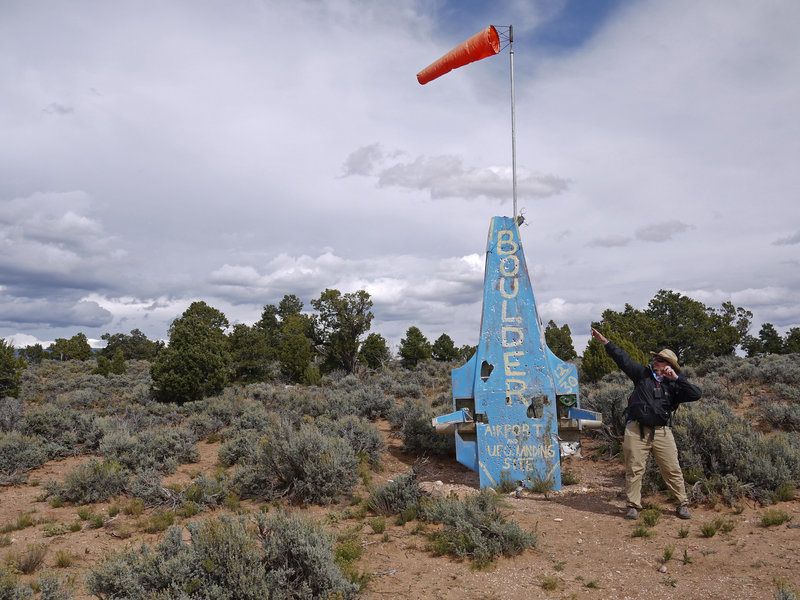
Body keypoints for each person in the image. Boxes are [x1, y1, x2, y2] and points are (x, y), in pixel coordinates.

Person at [590, 328, 702, 520]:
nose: (656, 361)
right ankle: (633, 505)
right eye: (656, 359)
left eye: (660, 360)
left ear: (669, 365)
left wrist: (676, 378)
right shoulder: (642, 374)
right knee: (634, 469)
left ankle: (682, 504)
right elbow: (622, 359)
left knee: (672, 469)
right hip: (636, 430)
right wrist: (605, 342)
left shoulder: (675, 386)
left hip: (662, 432)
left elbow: (696, 394)